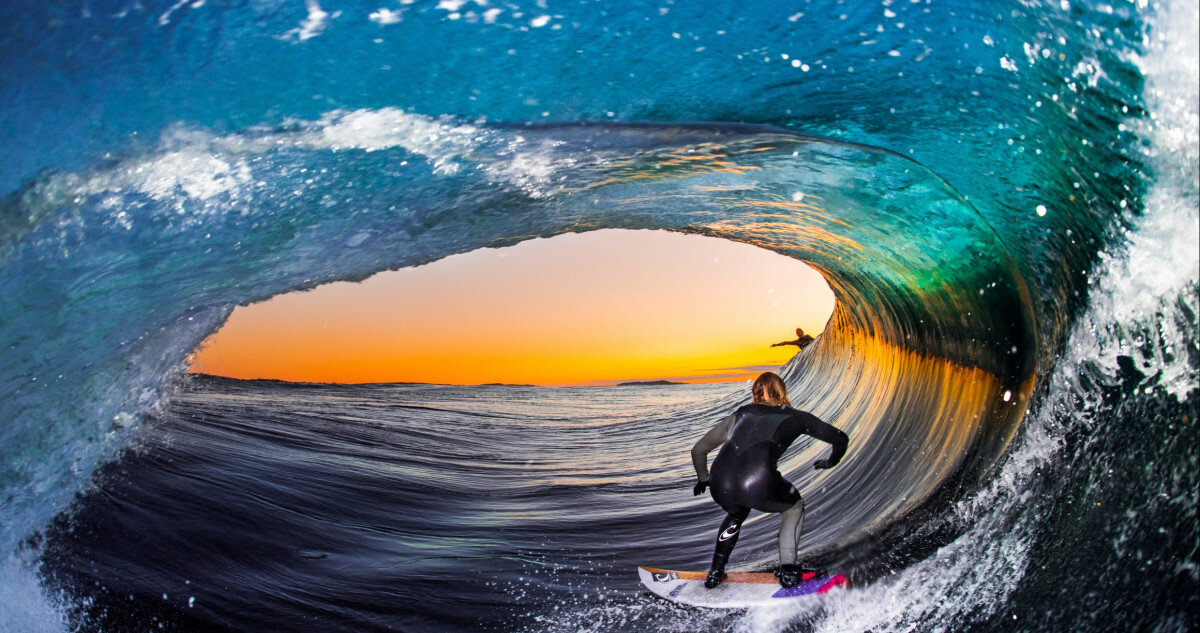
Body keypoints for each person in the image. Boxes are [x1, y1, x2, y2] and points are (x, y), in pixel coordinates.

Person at [690, 372, 848, 589]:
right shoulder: (796, 417)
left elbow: (699, 450)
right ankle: (789, 570)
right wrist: (832, 460)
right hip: (758, 482)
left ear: (755, 393)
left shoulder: (741, 414)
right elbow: (840, 438)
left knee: (736, 512)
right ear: (782, 391)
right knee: (794, 507)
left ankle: (715, 572)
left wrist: (703, 479)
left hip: (720, 482)